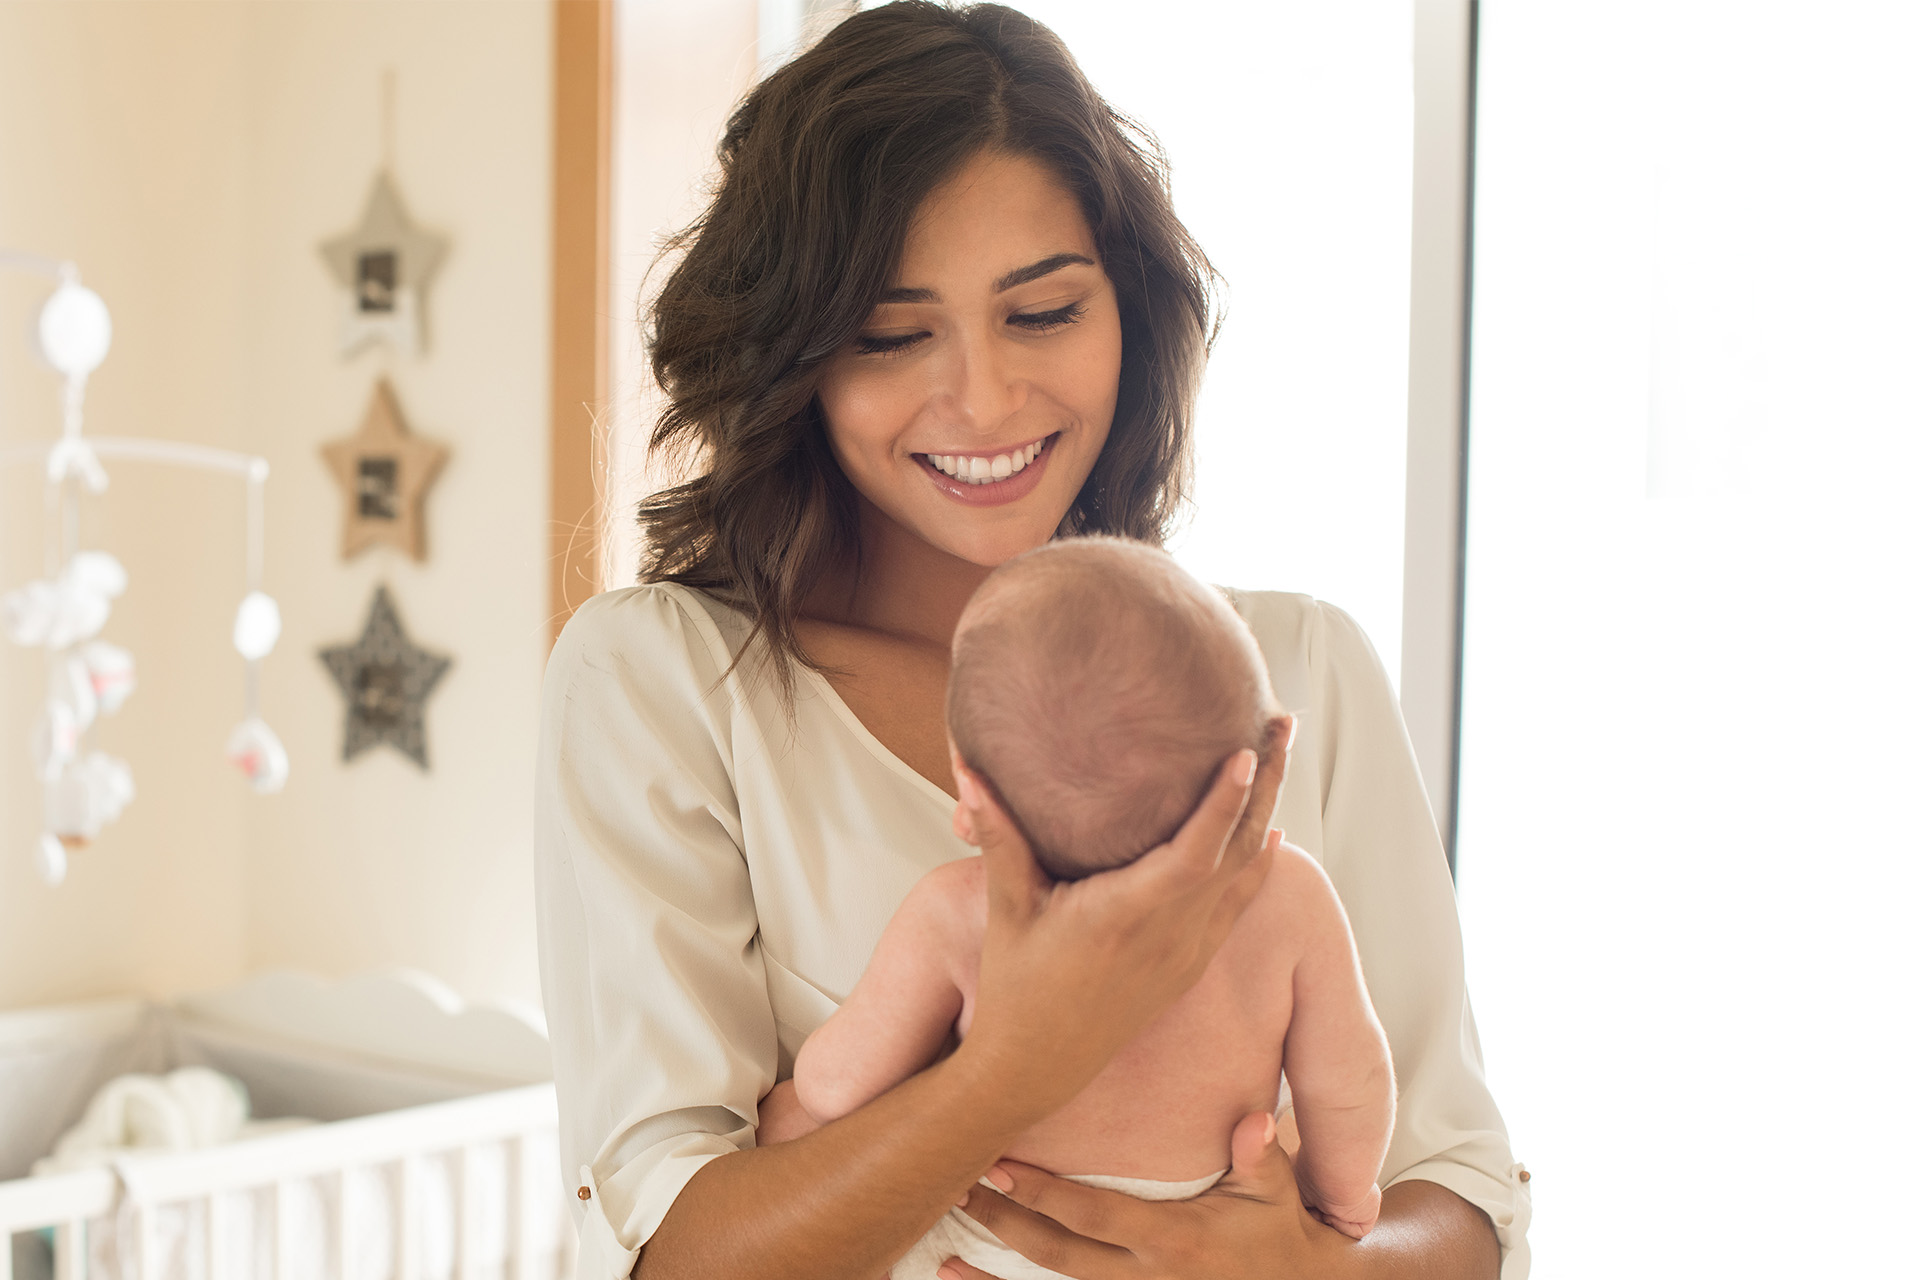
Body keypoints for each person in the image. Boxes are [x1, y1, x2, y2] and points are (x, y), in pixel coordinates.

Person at [534, 4, 1532, 1279]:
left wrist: (1309, 1269)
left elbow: (1462, 1194)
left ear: (1131, 310)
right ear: (793, 357)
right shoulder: (668, 681)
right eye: (895, 334)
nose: (988, 400)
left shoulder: (1303, 673)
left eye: (1046, 312)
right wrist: (1016, 1064)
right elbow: (670, 1250)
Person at [790, 537, 1397, 1280]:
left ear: (970, 787)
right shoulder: (1287, 894)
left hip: (991, 1235)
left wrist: (793, 1100)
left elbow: (839, 1090)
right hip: (1203, 1226)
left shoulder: (958, 913)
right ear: (1270, 747)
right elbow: (1351, 1082)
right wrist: (1342, 1200)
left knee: (794, 1122)